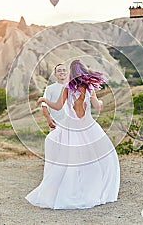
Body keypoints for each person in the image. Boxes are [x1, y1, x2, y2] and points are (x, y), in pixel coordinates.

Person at [26, 59, 120, 209]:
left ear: (71, 72)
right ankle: (93, 188)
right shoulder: (89, 88)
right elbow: (98, 106)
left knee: (71, 161)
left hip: (71, 128)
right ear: (84, 71)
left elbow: (57, 106)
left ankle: (71, 190)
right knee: (100, 158)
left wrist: (44, 100)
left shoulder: (67, 88)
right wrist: (100, 102)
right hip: (89, 127)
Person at [41, 63, 68, 129]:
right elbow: (44, 106)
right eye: (59, 71)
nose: (62, 72)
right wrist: (49, 120)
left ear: (67, 73)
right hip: (56, 123)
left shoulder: (73, 87)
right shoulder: (50, 88)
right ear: (55, 74)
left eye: (64, 70)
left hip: (71, 123)